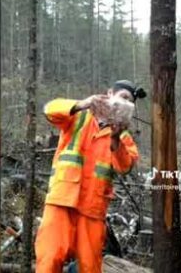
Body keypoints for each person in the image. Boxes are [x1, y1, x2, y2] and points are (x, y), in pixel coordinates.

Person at [35, 80, 142, 273]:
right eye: (123, 96)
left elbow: (124, 166)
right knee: (49, 259)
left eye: (130, 101)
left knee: (90, 267)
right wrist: (83, 103)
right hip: (62, 200)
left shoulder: (124, 137)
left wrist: (115, 138)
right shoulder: (80, 116)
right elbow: (50, 109)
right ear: (110, 93)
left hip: (93, 209)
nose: (125, 102)